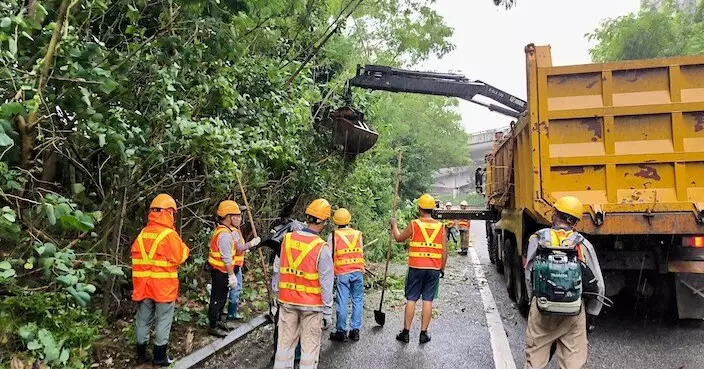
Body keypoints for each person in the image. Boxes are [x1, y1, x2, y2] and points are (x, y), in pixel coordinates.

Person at [523, 196, 605, 369]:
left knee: (535, 358)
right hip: (573, 310)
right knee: (572, 362)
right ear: (574, 221)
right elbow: (599, 286)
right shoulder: (583, 245)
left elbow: (529, 272)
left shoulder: (537, 239)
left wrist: (534, 301)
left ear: (555, 215)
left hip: (542, 308)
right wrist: (591, 313)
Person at [273, 199, 334, 369]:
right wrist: (328, 312)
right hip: (312, 307)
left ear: (307, 217)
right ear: (324, 222)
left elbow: (277, 268)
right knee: (309, 350)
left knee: (284, 347)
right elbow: (326, 283)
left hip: (287, 302)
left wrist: (275, 292)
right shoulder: (322, 248)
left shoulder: (287, 240)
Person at [131, 194, 190, 366]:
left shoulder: (142, 234)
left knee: (143, 320)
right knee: (163, 320)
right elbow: (181, 256)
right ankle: (159, 357)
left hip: (143, 287)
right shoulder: (168, 235)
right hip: (163, 288)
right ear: (169, 213)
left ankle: (141, 355)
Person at [390, 193, 447, 344]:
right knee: (428, 300)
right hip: (433, 269)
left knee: (412, 299)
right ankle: (423, 334)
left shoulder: (414, 224)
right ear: (432, 209)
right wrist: (442, 268)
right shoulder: (441, 227)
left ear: (420, 208)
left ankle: (406, 333)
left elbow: (398, 238)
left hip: (416, 268)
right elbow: (444, 251)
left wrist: (394, 225)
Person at [207, 200, 261, 337]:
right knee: (217, 299)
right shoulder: (224, 235)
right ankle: (213, 325)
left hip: (224, 271)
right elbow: (226, 258)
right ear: (227, 217)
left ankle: (218, 320)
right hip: (220, 272)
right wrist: (231, 276)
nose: (239, 218)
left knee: (222, 298)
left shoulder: (232, 231)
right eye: (236, 216)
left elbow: (236, 249)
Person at [328, 208, 365, 342]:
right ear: (349, 219)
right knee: (357, 300)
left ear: (335, 222)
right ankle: (355, 331)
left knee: (342, 301)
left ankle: (341, 331)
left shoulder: (334, 235)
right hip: (357, 271)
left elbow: (329, 254)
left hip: (342, 272)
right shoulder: (357, 234)